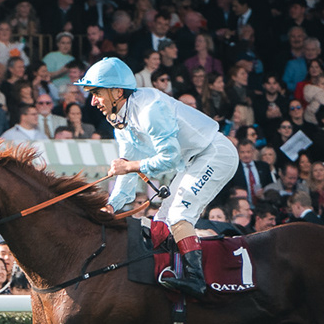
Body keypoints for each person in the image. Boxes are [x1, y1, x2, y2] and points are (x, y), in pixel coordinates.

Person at [76, 56, 238, 296]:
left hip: (215, 154)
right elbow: (127, 165)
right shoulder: (120, 119)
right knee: (161, 219)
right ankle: (165, 273)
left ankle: (196, 280)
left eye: (97, 93)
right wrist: (112, 205)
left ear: (117, 92)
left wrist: (130, 167)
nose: (92, 102)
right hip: (194, 160)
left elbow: (168, 159)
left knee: (179, 214)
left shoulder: (150, 110)